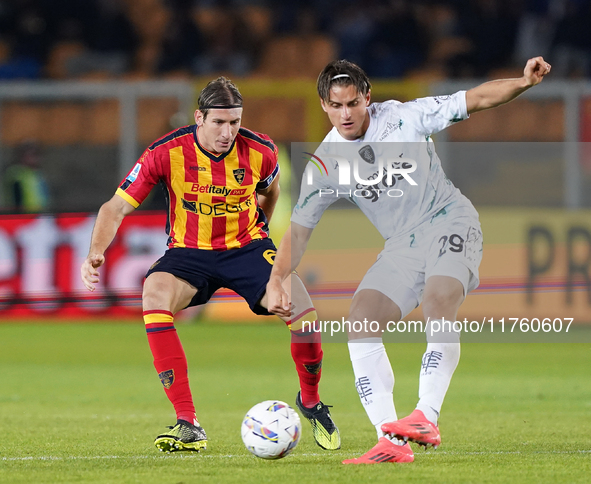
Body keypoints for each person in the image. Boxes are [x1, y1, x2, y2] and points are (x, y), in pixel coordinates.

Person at [266, 57, 551, 464]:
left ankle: (426, 416)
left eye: (352, 103)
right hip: (402, 245)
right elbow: (297, 232)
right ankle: (389, 441)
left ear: (368, 97)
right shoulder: (325, 165)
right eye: (336, 105)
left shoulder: (404, 118)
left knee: (438, 300)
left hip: (449, 219)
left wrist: (523, 82)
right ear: (324, 106)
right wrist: (278, 278)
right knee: (361, 319)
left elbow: (475, 99)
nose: (346, 113)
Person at [80, 77, 340, 453]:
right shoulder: (165, 152)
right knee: (153, 295)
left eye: (234, 122)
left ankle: (311, 401)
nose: (228, 132)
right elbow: (115, 207)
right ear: (199, 118)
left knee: (303, 314)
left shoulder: (260, 150)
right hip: (189, 252)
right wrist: (95, 252)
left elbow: (271, 192)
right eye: (219, 122)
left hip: (247, 248)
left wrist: (262, 238)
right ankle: (188, 422)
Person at [2, 141, 50, 213]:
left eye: (36, 155)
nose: (34, 158)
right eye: (30, 155)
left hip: (40, 214)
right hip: (23, 214)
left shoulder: (37, 173)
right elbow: (14, 195)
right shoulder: (16, 173)